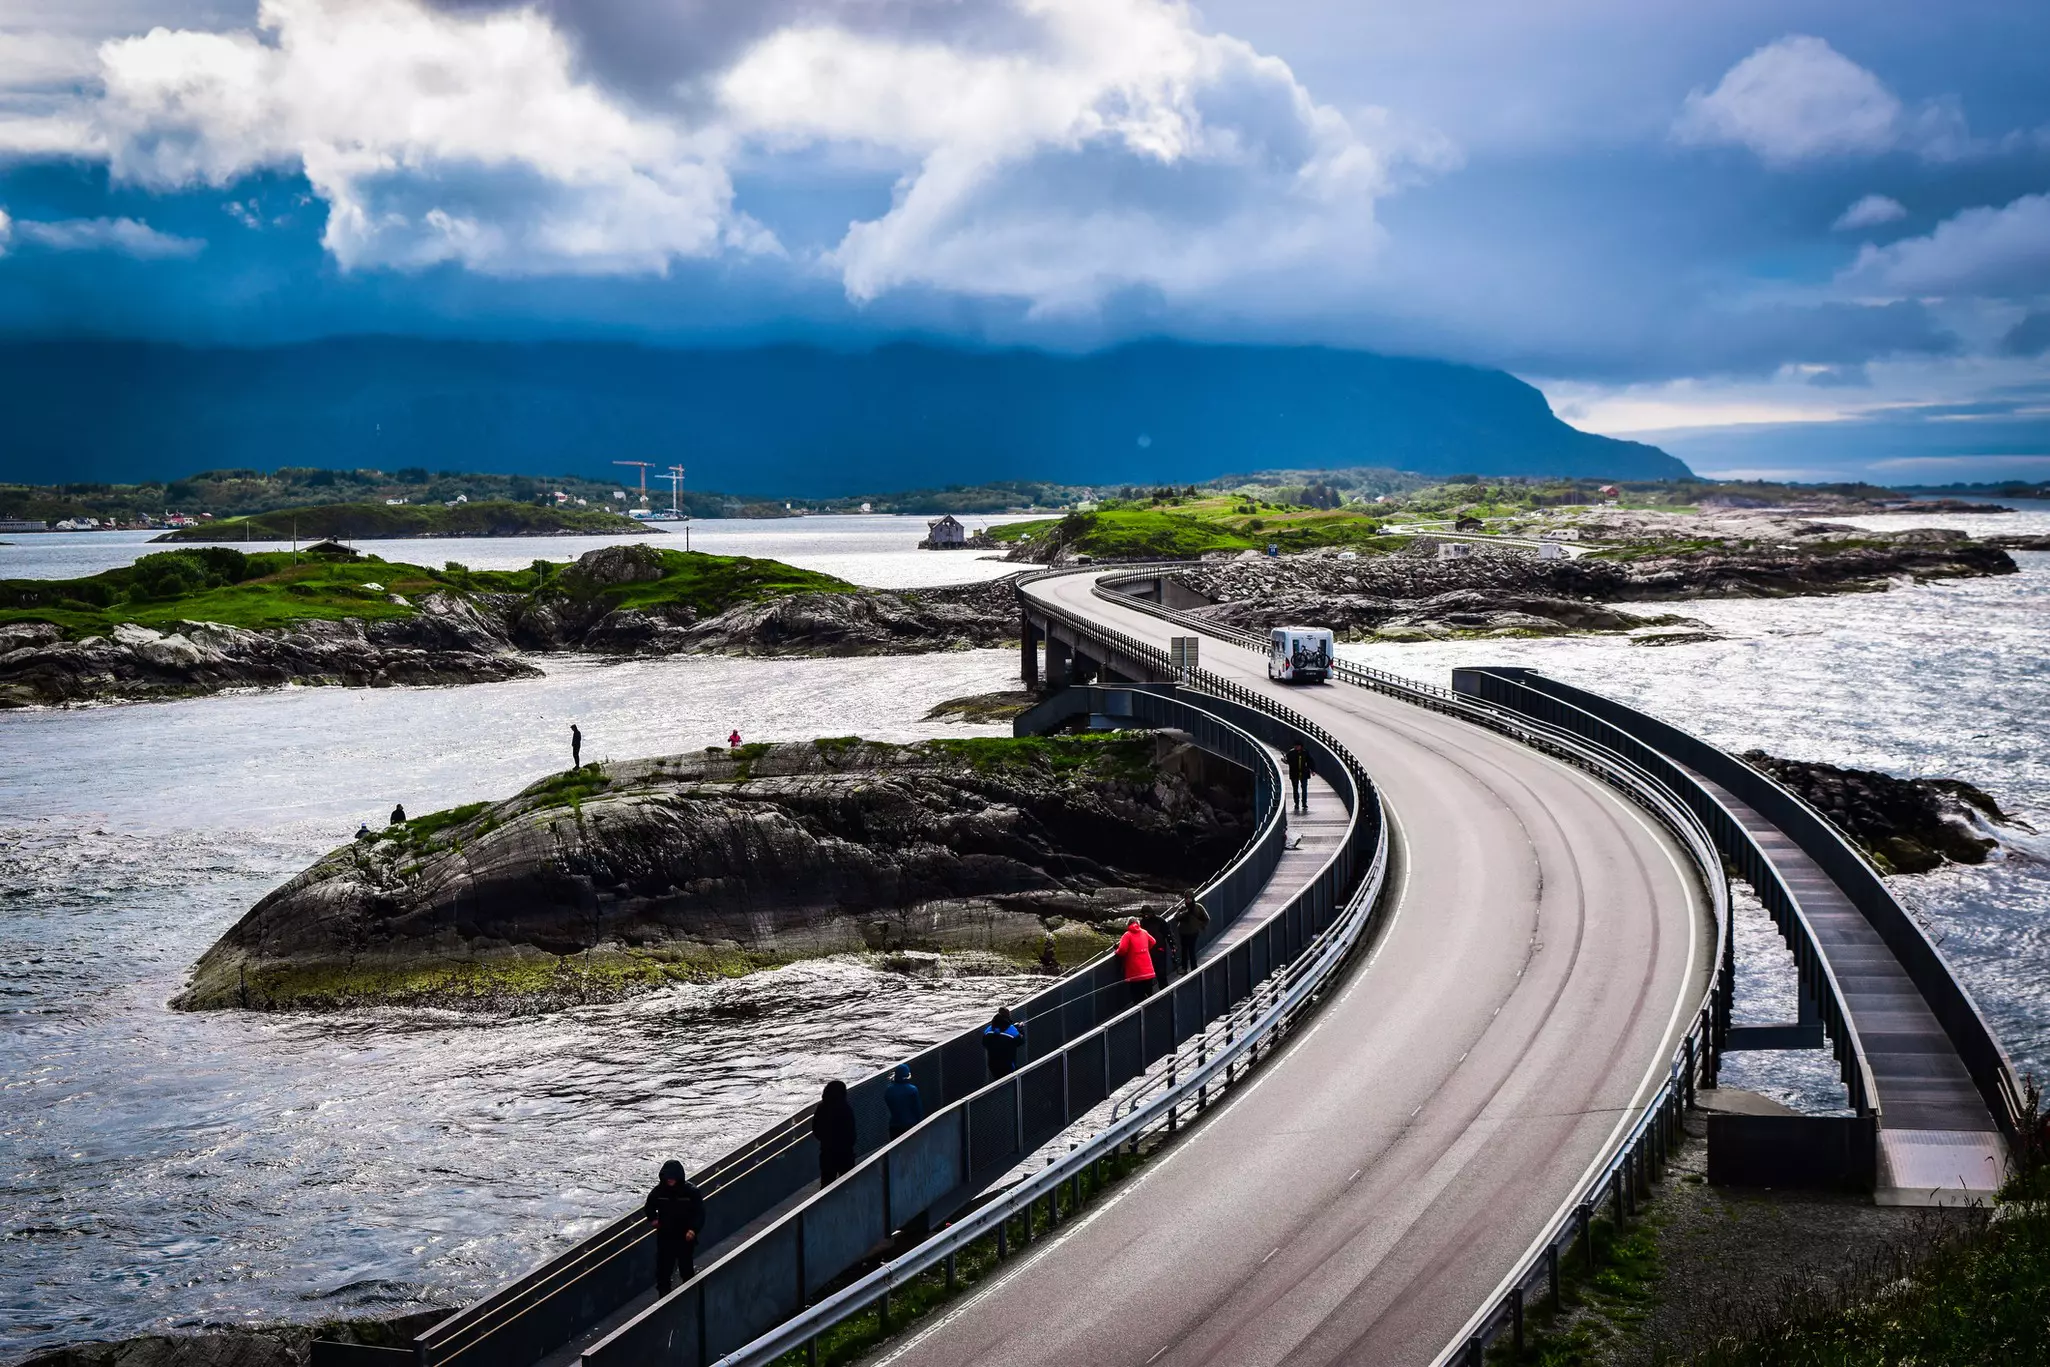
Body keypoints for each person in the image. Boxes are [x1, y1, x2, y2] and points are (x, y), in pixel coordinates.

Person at [641, 1159, 705, 1295]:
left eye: (673, 1177)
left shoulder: (691, 1192)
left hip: (685, 1236)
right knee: (663, 1271)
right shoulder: (659, 1192)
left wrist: (693, 1230)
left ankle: (689, 1294)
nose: (670, 1180)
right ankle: (664, 1297)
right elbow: (649, 1207)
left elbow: (699, 1213)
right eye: (667, 1177)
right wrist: (653, 1220)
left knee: (686, 1268)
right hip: (666, 1236)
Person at [815, 1079, 857, 1187]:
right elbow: (851, 1132)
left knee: (826, 1183)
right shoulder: (846, 1109)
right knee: (849, 1183)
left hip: (827, 1153)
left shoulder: (821, 1107)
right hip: (845, 1153)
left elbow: (816, 1130)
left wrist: (825, 1140)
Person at [1115, 918, 1157, 1004]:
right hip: (1148, 970)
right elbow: (1153, 941)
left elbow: (1122, 949)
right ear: (1138, 923)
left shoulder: (1127, 935)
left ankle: (1140, 1015)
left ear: (1128, 925)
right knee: (1149, 995)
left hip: (1135, 971)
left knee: (1137, 996)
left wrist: (1117, 951)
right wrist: (1145, 950)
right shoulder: (1144, 932)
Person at [981, 1006, 1023, 1078]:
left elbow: (984, 1043)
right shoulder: (1012, 1030)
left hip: (992, 1064)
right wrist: (1020, 1029)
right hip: (1008, 1065)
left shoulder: (988, 1030)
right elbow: (1020, 1041)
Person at [883, 1064, 923, 1138]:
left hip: (894, 1125)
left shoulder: (889, 1090)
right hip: (910, 1125)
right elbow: (917, 1109)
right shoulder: (912, 1090)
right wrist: (920, 1123)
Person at [1175, 894, 1211, 972]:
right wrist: (1185, 913)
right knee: (1184, 950)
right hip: (1183, 932)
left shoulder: (1198, 907)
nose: (1188, 900)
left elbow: (1206, 918)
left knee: (1191, 950)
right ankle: (1184, 968)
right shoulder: (1182, 907)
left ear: (1192, 898)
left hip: (1193, 932)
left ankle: (1194, 968)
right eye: (1186, 898)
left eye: (1189, 898)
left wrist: (1200, 925)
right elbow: (1176, 917)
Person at [1141, 910, 1176, 981]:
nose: (1146, 916)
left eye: (1147, 914)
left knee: (1161, 970)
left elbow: (1168, 933)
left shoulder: (1160, 921)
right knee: (1151, 972)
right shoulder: (1142, 922)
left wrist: (1172, 945)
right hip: (1149, 950)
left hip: (1159, 949)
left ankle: (1164, 987)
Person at [1286, 743, 1312, 811]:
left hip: (1304, 773)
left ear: (1301, 746)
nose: (1296, 747)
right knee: (1295, 789)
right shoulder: (1290, 753)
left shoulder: (1305, 752)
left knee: (1304, 788)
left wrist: (1313, 770)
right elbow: (1288, 761)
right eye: (1295, 746)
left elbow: (1310, 761)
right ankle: (1296, 803)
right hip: (1294, 773)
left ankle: (1304, 803)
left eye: (1297, 746)